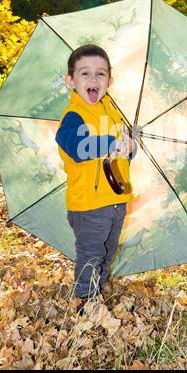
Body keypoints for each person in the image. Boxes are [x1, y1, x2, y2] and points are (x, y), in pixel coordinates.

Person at [55, 44, 136, 312]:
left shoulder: (114, 112)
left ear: (109, 81)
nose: (93, 79)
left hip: (116, 198)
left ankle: (96, 289)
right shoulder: (73, 116)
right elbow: (79, 149)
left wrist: (129, 147)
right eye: (84, 73)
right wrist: (112, 141)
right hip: (88, 204)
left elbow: (119, 156)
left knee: (108, 251)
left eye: (100, 74)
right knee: (91, 255)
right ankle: (86, 302)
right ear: (71, 81)